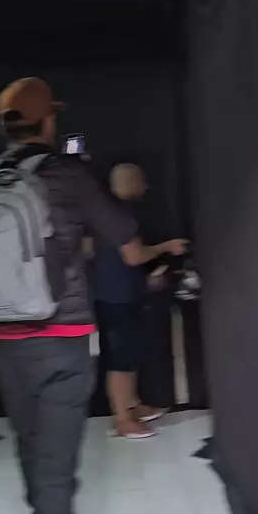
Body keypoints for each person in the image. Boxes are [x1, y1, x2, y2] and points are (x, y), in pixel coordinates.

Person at [0, 77, 186, 514]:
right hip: (59, 335)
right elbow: (125, 242)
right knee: (57, 465)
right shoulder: (67, 174)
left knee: (31, 450)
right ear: (48, 122)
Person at [94, 163, 186, 438]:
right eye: (141, 180)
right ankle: (123, 421)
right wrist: (167, 247)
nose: (145, 187)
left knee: (129, 354)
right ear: (131, 182)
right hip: (117, 298)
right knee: (121, 359)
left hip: (118, 294)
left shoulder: (106, 214)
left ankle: (132, 406)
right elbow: (134, 256)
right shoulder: (120, 216)